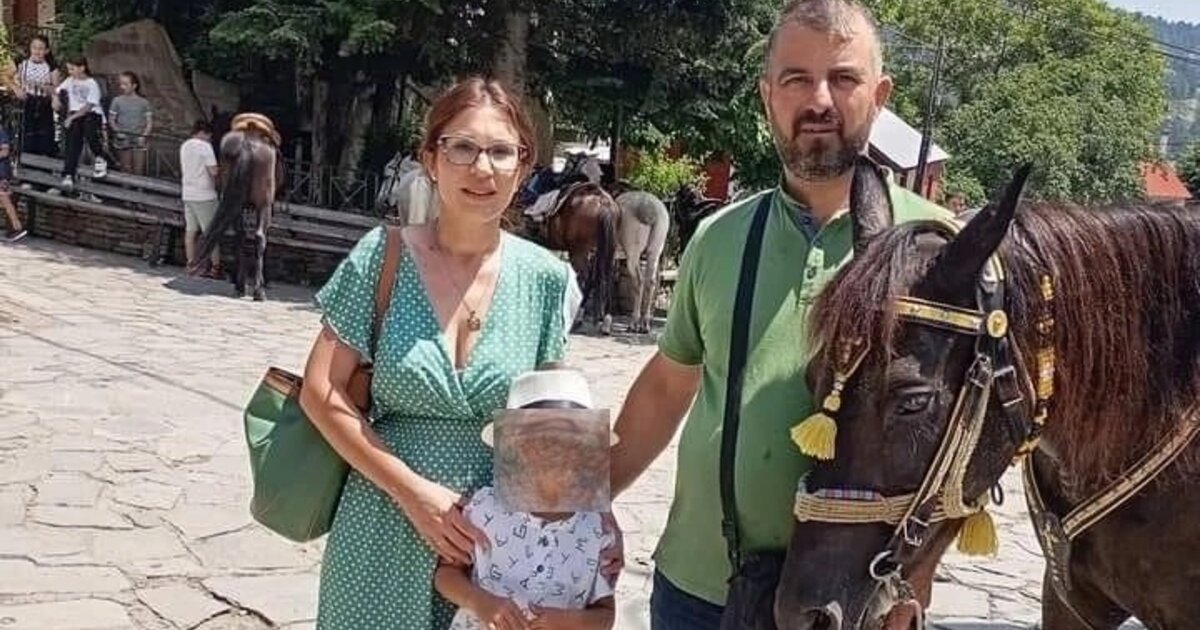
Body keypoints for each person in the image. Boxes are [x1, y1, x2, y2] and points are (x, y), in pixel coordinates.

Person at [607, 1, 953, 628]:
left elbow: (969, 437)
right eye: (797, 79)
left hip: (854, 604)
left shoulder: (939, 248)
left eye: (843, 78)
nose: (819, 99)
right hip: (699, 589)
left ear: (879, 96)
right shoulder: (718, 237)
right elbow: (666, 387)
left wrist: (915, 580)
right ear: (768, 97)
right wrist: (589, 499)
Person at [297, 76, 612, 630]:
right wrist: (413, 493)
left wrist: (598, 523)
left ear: (523, 166)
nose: (482, 168)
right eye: (462, 147)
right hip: (383, 522)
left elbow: (553, 422)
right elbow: (320, 392)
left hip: (497, 552)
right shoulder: (382, 257)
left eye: (501, 151)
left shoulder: (546, 279)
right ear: (430, 158)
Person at [435, 367, 616, 630]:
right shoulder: (485, 509)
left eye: (569, 442)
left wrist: (568, 621)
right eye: (541, 442)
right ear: (514, 448)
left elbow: (605, 615)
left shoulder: (596, 530)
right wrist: (481, 602)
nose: (555, 453)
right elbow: (446, 575)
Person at [52, 56, 109, 187]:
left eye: (72, 69)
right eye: (69, 69)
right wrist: (55, 98)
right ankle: (68, 173)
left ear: (82, 68)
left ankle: (100, 157)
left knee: (90, 132)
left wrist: (71, 118)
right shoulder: (69, 80)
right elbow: (57, 90)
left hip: (91, 114)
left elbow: (89, 106)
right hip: (76, 116)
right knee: (73, 141)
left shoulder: (92, 84)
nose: (70, 72)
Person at [179, 120, 221, 278]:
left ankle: (191, 263)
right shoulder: (205, 147)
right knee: (210, 233)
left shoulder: (185, 145)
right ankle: (215, 267)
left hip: (187, 193)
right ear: (204, 133)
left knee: (190, 231)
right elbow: (213, 171)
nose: (209, 139)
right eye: (209, 136)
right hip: (204, 195)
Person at [13, 35, 59, 158]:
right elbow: (14, 79)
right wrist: (17, 88)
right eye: (34, 48)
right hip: (27, 101)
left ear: (46, 51)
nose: (37, 51)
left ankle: (44, 157)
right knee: (27, 134)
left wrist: (43, 86)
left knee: (44, 135)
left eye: (41, 48)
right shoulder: (23, 64)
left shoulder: (51, 67)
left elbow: (56, 89)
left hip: (43, 103)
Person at [108, 71, 154, 176]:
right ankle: (125, 185)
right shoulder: (116, 101)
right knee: (125, 168)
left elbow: (149, 121)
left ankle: (139, 186)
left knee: (138, 169)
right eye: (121, 84)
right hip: (123, 138)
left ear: (134, 86)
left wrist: (144, 135)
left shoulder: (144, 102)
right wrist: (118, 132)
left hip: (139, 138)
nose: (122, 87)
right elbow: (111, 119)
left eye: (125, 84)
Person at [0, 126, 26, 242]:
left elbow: (5, 152)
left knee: (3, 196)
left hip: (2, 173)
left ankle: (17, 228)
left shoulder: (1, 133)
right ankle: (17, 228)